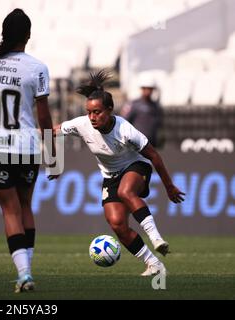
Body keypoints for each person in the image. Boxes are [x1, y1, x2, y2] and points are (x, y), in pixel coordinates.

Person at [53, 70, 185, 276]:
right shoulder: (81, 124)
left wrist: (169, 186)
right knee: (117, 224)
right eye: (88, 112)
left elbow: (154, 156)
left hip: (136, 166)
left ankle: (156, 238)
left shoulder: (126, 130)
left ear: (110, 110)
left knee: (126, 192)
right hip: (110, 175)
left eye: (97, 112)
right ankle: (154, 264)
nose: (92, 117)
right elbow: (52, 131)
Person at [0, 9, 55, 292]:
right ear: (28, 35)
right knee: (24, 206)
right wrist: (53, 154)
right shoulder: (38, 68)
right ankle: (27, 270)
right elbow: (44, 118)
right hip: (26, 146)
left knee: (9, 211)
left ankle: (24, 274)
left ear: (3, 33)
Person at [120, 76, 163, 148]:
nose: (147, 91)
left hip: (151, 144)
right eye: (145, 88)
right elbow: (123, 121)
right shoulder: (133, 104)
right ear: (142, 89)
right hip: (136, 144)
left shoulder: (155, 106)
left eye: (150, 89)